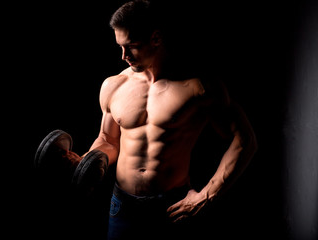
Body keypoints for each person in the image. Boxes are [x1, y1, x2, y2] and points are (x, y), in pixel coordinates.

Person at [49, 1, 257, 239]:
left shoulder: (199, 87)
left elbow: (244, 140)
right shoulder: (114, 85)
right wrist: (88, 163)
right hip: (122, 205)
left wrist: (207, 195)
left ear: (156, 38)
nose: (124, 56)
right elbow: (107, 140)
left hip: (172, 206)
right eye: (120, 47)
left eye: (132, 47)